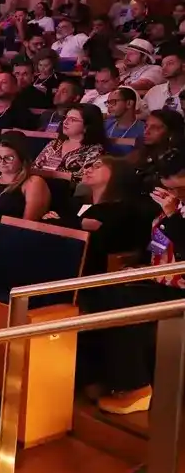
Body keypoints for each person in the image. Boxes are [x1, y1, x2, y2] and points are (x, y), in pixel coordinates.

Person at [82, 152, 185, 415]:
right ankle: (100, 375)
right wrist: (137, 266)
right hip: (158, 278)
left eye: (172, 182)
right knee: (95, 294)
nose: (166, 188)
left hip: (179, 290)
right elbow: (156, 245)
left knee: (122, 304)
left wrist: (173, 216)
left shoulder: (174, 209)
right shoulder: (171, 205)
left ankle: (136, 387)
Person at [33, 104, 107, 179]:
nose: (65, 122)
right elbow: (36, 166)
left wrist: (52, 174)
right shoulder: (54, 143)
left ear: (87, 126)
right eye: (66, 118)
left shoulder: (95, 149)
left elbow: (85, 177)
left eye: (73, 120)